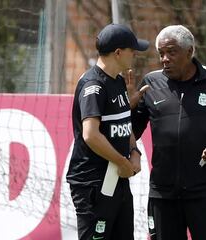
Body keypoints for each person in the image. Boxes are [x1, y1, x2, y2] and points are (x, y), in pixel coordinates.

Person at [130, 25, 206, 240]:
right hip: (163, 194)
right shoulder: (150, 84)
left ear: (190, 52)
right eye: (161, 54)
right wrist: (127, 109)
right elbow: (130, 132)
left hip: (205, 193)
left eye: (171, 52)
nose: (165, 58)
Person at [66, 23, 149, 240]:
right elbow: (90, 135)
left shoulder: (119, 81)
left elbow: (123, 122)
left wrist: (134, 152)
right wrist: (122, 163)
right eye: (132, 50)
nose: (135, 54)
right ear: (118, 52)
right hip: (93, 182)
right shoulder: (93, 85)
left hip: (117, 180)